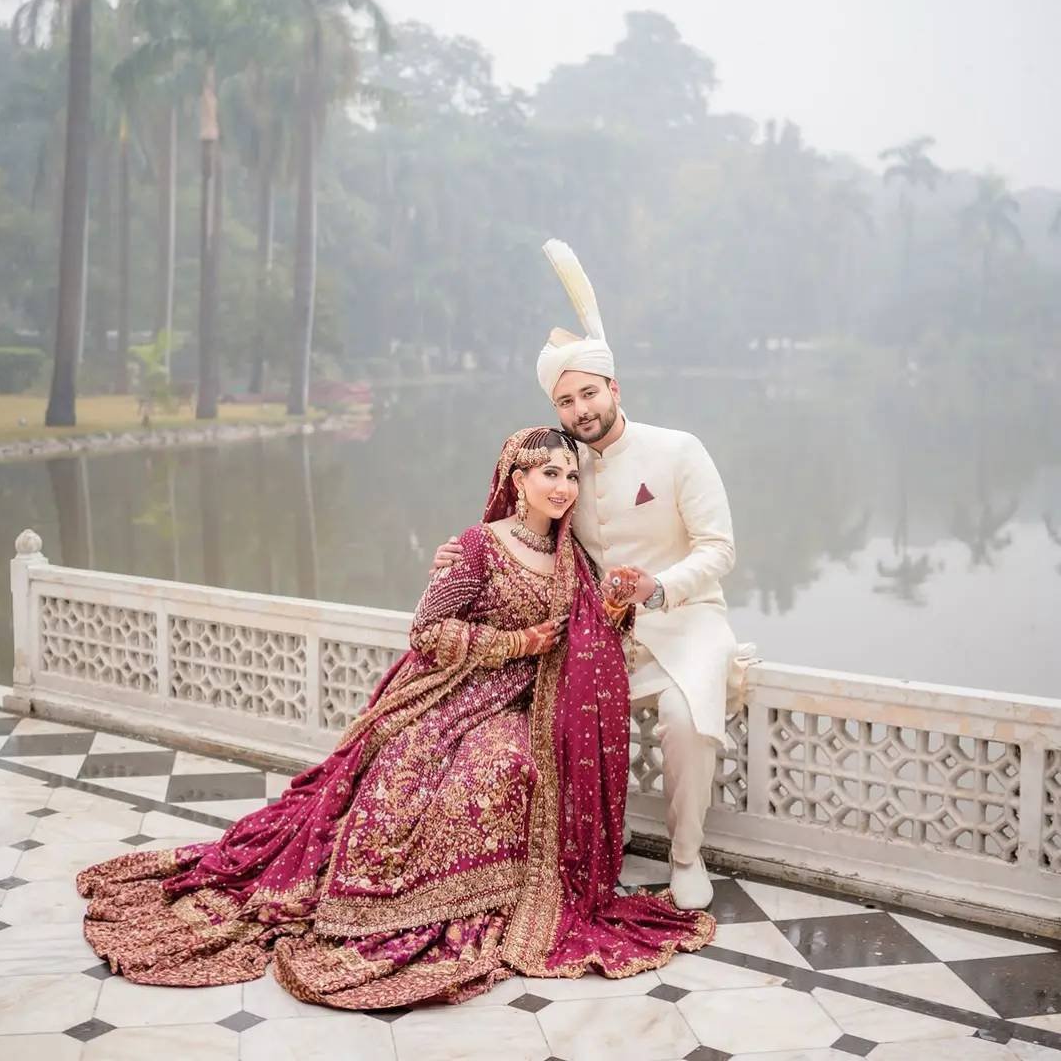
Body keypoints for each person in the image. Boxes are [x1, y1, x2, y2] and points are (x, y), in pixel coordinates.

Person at [77, 427, 715, 1010]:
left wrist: (615, 605)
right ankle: (388, 901)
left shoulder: (574, 556)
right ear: (517, 479)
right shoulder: (477, 547)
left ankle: (498, 894)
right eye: (549, 473)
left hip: (532, 704)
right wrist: (514, 643)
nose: (563, 486)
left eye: (571, 475)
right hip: (456, 692)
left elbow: (590, 637)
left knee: (502, 767)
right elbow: (427, 630)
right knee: (414, 772)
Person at [435, 243, 751, 911]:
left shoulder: (678, 450)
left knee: (684, 720)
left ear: (614, 389)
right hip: (599, 632)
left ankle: (687, 855)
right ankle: (591, 840)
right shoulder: (562, 467)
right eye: (566, 400)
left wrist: (658, 588)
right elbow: (524, 523)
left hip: (687, 621)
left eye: (589, 393)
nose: (580, 409)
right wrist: (467, 552)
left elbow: (719, 549)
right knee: (554, 713)